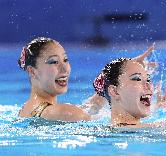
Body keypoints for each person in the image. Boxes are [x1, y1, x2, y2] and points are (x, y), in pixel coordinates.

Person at [17, 37, 155, 121]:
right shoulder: (65, 112)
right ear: (32, 71)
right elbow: (117, 127)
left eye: (65, 60)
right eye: (54, 62)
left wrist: (121, 74)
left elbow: (88, 107)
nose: (65, 69)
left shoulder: (26, 109)